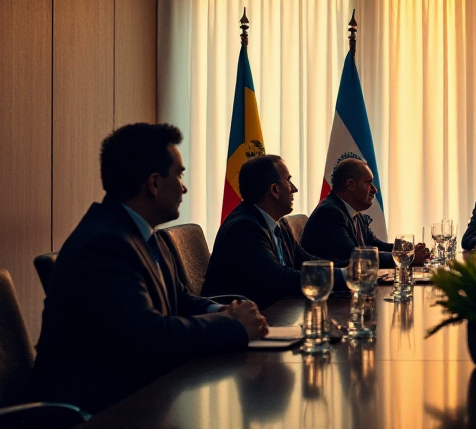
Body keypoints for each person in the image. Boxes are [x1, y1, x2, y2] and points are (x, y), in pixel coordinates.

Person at [33, 123, 267, 413]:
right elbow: (150, 338)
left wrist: (221, 310)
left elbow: (178, 298)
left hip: (145, 394)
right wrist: (231, 324)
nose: (184, 187)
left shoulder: (141, 233)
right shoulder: (105, 244)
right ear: (154, 184)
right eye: (179, 175)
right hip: (102, 412)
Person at [204, 155, 345, 308]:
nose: (294, 189)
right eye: (288, 180)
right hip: (241, 321)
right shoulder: (244, 228)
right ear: (275, 190)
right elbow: (278, 279)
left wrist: (349, 269)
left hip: (275, 309)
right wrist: (344, 276)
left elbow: (304, 260)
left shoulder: (278, 222)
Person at [302, 158, 426, 269]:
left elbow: (374, 245)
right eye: (368, 183)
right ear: (350, 185)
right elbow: (355, 257)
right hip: (332, 291)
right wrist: (406, 257)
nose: (374, 190)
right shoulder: (329, 213)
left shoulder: (353, 212)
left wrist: (407, 249)